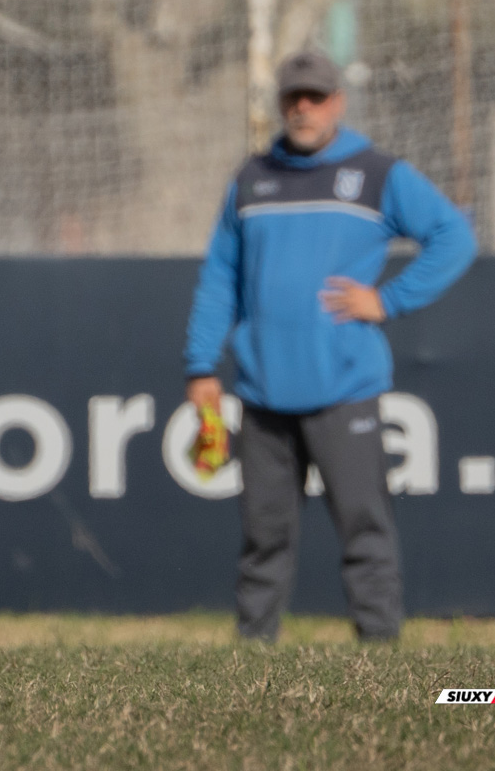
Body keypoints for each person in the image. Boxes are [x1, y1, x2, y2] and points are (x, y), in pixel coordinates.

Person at [183, 50, 475, 642]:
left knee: (364, 529)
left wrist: (388, 300)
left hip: (344, 387)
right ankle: (253, 652)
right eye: (294, 98)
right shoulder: (253, 178)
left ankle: (379, 646)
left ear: (338, 102)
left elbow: (454, 236)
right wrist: (200, 364)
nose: (304, 108)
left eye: (315, 97)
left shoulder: (376, 173)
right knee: (264, 536)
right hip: (263, 390)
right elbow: (220, 277)